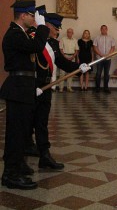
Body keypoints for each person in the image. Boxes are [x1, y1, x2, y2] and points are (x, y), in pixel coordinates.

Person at [0, 0, 49, 190]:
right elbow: (36, 46)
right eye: (31, 15)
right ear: (23, 15)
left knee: (22, 133)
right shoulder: (13, 34)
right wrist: (43, 27)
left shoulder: (20, 33)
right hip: (18, 87)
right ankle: (10, 175)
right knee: (15, 133)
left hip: (24, 87)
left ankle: (18, 166)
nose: (33, 19)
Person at [33, 12, 90, 171]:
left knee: (42, 122)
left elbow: (62, 63)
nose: (58, 30)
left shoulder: (53, 43)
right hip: (33, 87)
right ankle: (23, 154)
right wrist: (31, 85)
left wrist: (80, 68)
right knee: (27, 122)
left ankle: (44, 156)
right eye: (56, 27)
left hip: (46, 88)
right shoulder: (36, 41)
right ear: (48, 26)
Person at [93, 25, 115, 93]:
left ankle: (106, 88)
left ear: (107, 29)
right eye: (102, 29)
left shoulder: (111, 38)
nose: (104, 30)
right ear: (100, 29)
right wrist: (101, 54)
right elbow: (95, 47)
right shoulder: (97, 38)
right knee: (98, 73)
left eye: (105, 29)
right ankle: (97, 88)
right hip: (99, 58)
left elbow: (113, 47)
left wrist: (108, 55)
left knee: (106, 73)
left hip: (108, 58)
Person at [58, 28, 79, 92]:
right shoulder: (63, 39)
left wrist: (73, 56)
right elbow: (60, 49)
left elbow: (76, 50)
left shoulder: (75, 40)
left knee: (70, 73)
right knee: (62, 73)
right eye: (68, 32)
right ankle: (61, 88)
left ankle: (69, 87)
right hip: (64, 56)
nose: (69, 33)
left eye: (70, 32)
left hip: (72, 56)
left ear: (73, 33)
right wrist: (64, 56)